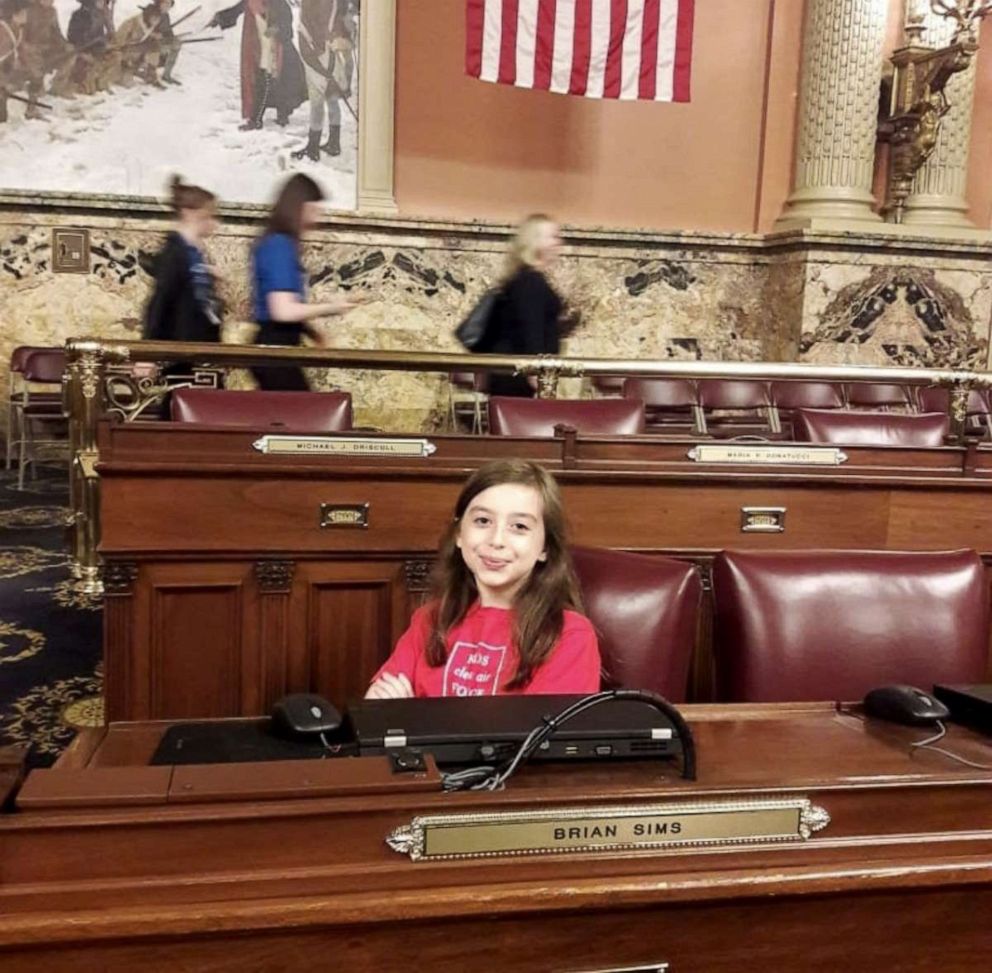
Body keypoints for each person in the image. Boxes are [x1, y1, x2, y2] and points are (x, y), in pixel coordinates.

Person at [366, 460, 601, 699]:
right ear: (459, 533)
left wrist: (413, 716)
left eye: (519, 526)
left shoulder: (570, 635)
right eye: (482, 521)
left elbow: (539, 734)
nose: (496, 540)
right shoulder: (429, 619)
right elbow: (380, 711)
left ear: (545, 548)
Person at [251, 173, 359, 390]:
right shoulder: (279, 246)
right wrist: (331, 307)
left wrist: (311, 332)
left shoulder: (278, 243)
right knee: (303, 416)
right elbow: (282, 311)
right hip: (274, 351)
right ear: (298, 207)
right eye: (313, 209)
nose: (316, 218)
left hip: (276, 349)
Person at [483, 214, 569, 398]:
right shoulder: (530, 282)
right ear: (536, 242)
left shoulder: (524, 278)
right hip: (521, 378)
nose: (558, 242)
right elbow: (530, 328)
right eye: (552, 236)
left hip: (518, 374)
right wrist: (535, 373)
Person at [143, 176, 222, 363]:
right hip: (180, 347)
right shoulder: (175, 252)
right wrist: (147, 353)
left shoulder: (195, 252)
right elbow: (160, 302)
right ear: (190, 213)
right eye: (208, 215)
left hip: (199, 347)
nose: (213, 222)